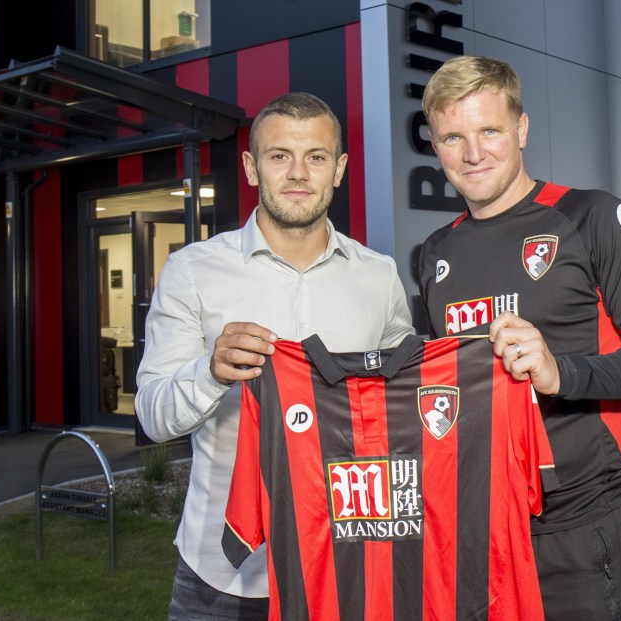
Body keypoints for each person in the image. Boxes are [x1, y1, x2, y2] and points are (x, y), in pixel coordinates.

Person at [417, 55, 621, 620]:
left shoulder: (588, 216)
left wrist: (561, 373)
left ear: (521, 128)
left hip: (585, 511)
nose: (473, 154)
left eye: (490, 130)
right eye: (453, 137)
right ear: (434, 145)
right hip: (482, 518)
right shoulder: (432, 254)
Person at [136, 92, 414, 620]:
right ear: (250, 167)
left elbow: (402, 404)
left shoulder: (378, 276)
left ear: (340, 170)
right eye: (279, 155)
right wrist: (210, 373)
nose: (298, 173)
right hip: (222, 575)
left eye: (316, 156)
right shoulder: (192, 272)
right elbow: (152, 416)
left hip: (347, 565)